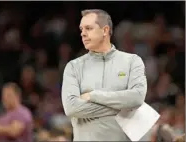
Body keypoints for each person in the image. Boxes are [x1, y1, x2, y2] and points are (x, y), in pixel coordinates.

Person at [62, 9, 148, 141]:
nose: (82, 34)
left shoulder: (132, 61)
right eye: (81, 29)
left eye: (88, 28)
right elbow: (72, 108)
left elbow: (137, 98)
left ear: (105, 30)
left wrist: (93, 95)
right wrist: (122, 107)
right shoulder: (73, 67)